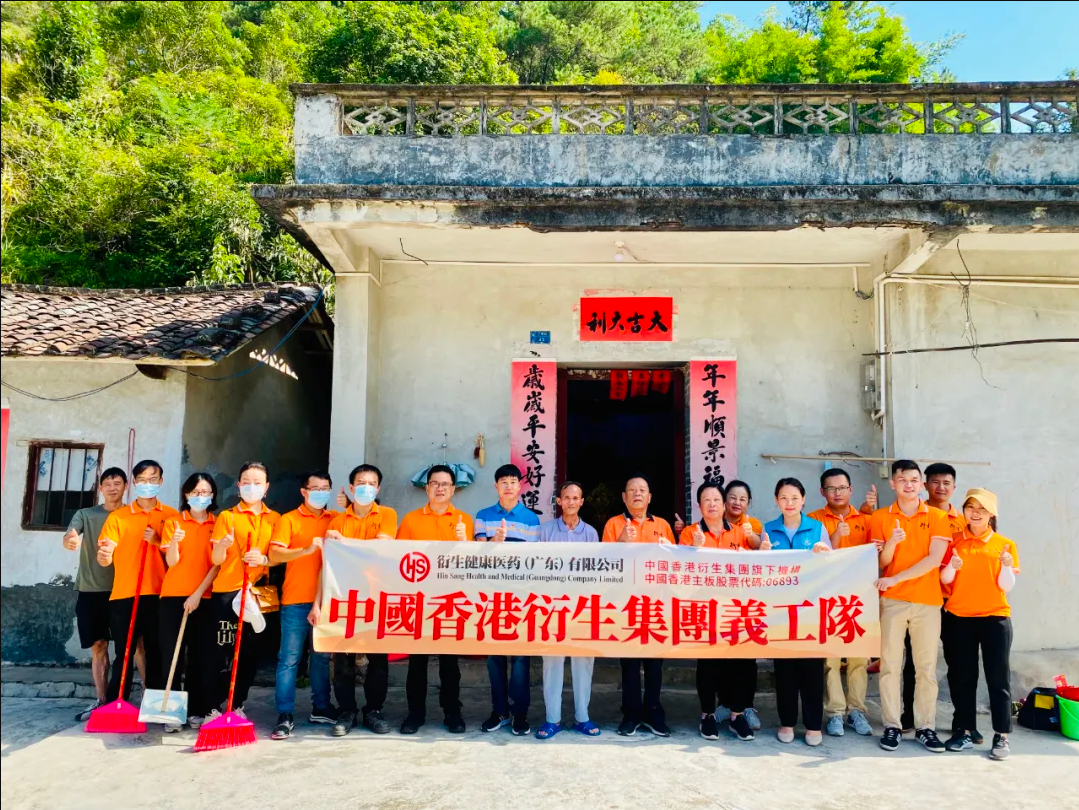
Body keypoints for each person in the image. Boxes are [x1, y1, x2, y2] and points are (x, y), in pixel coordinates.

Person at [870, 460, 951, 753]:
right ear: (893, 483)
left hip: (927, 602)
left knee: (926, 668)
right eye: (903, 479)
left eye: (914, 480)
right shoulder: (880, 517)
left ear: (921, 484)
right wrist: (892, 542)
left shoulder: (938, 517)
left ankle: (925, 727)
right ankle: (892, 726)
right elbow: (881, 562)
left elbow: (934, 559)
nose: (909, 484)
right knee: (890, 666)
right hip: (892, 602)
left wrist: (897, 579)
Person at [395, 464, 474, 734]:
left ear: (453, 489)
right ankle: (415, 714)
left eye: (445, 484)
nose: (440, 488)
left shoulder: (464, 520)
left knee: (449, 664)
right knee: (417, 662)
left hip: (450, 601)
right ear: (427, 488)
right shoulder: (410, 520)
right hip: (418, 601)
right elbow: (398, 559)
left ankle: (452, 712)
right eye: (435, 483)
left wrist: (465, 542)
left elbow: (471, 565)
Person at [320, 464, 398, 737]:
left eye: (372, 483)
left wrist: (345, 543)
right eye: (361, 483)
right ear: (352, 488)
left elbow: (380, 548)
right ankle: (347, 711)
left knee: (378, 658)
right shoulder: (337, 521)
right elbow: (328, 563)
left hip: (377, 596)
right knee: (342, 658)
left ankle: (373, 711)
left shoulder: (387, 515)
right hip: (344, 597)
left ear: (378, 488)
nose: (366, 488)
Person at [941, 489, 1018, 761]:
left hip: (995, 619)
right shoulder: (954, 542)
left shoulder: (1004, 544)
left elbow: (1006, 586)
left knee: (998, 678)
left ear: (992, 514)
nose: (975, 513)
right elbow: (945, 580)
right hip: (959, 618)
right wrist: (952, 565)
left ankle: (1001, 735)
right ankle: (963, 731)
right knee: (962, 677)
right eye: (970, 507)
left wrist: (1006, 565)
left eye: (982, 509)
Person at [679, 482, 757, 742]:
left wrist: (762, 552)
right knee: (708, 664)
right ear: (699, 506)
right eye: (706, 500)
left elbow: (753, 567)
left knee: (738, 663)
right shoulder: (690, 533)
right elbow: (678, 570)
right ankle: (708, 715)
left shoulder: (739, 533)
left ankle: (737, 715)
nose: (712, 504)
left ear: (724, 505)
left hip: (735, 608)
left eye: (716, 500)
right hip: (704, 609)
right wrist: (693, 550)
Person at [96, 459, 177, 702]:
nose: (147, 484)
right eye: (142, 480)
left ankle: (155, 703)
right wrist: (104, 555)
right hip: (125, 593)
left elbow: (177, 557)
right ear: (133, 483)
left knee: (155, 652)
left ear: (161, 481)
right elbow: (105, 555)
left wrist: (157, 541)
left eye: (152, 479)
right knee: (124, 653)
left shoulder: (171, 516)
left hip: (159, 594)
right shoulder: (118, 517)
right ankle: (116, 704)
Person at [602, 475, 676, 737]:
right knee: (630, 663)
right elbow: (604, 564)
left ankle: (653, 712)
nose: (637, 494)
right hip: (627, 604)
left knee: (655, 663)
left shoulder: (663, 525)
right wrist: (621, 541)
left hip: (656, 604)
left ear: (650, 497)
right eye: (631, 490)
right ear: (624, 497)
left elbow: (675, 565)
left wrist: (670, 550)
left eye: (642, 490)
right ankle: (631, 714)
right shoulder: (613, 524)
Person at [268, 471, 339, 740]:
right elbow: (274, 554)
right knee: (289, 659)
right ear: (304, 492)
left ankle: (321, 707)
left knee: (321, 658)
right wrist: (305, 550)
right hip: (295, 599)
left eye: (325, 488)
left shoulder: (335, 519)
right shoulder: (289, 520)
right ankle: (285, 713)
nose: (321, 493)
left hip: (328, 601)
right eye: (315, 488)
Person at [207, 462, 280, 719]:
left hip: (258, 593)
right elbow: (216, 559)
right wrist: (223, 545)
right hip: (228, 592)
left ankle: (238, 704)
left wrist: (264, 559)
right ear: (238, 486)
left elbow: (278, 556)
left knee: (250, 653)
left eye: (257, 483)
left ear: (266, 487)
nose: (252, 487)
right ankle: (214, 707)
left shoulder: (275, 519)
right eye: (246, 482)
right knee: (221, 652)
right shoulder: (227, 517)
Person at [903, 462, 970, 739]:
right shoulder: (915, 514)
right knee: (914, 663)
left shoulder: (965, 521)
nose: (941, 487)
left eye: (946, 483)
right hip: (919, 598)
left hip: (954, 602)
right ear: (925, 485)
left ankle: (962, 722)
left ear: (954, 487)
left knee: (958, 663)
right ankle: (909, 715)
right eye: (935, 482)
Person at [808, 468, 877, 738]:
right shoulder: (814, 520)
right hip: (828, 597)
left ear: (851, 490)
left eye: (842, 488)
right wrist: (835, 535)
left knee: (859, 658)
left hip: (860, 598)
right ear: (822, 491)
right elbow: (813, 559)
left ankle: (856, 710)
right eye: (831, 488)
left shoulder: (867, 519)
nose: (837, 493)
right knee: (831, 660)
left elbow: (877, 554)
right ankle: (835, 712)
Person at [764, 478, 832, 746]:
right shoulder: (769, 529)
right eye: (783, 497)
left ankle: (814, 726)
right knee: (785, 672)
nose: (789, 503)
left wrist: (824, 553)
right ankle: (787, 722)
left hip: (810, 611)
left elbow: (833, 565)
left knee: (812, 671)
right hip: (780, 612)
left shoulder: (817, 528)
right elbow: (759, 572)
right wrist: (761, 553)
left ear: (803, 500)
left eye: (794, 498)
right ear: (776, 500)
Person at [474, 464, 541, 736]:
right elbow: (477, 554)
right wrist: (494, 540)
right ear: (496, 486)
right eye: (504, 482)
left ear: (520, 486)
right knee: (495, 658)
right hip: (491, 597)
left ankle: (520, 714)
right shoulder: (483, 515)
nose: (509, 486)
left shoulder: (531, 519)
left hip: (522, 597)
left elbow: (535, 560)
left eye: (513, 481)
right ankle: (499, 711)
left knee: (521, 659)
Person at [536, 481, 601, 740]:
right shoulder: (546, 531)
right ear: (559, 501)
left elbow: (597, 571)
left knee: (582, 663)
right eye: (567, 497)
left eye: (576, 498)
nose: (571, 502)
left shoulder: (590, 533)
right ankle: (552, 719)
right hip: (552, 607)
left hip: (582, 608)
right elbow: (536, 568)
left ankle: (582, 718)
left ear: (582, 502)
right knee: (552, 663)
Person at [63, 466, 127, 721]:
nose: (112, 488)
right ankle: (101, 701)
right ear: (100, 488)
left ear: (125, 487)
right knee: (99, 646)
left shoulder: (131, 515)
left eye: (117, 483)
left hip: (125, 590)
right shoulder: (86, 514)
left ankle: (146, 702)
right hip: (91, 591)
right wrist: (70, 539)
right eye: (107, 483)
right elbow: (71, 534)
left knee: (136, 647)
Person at [158, 473, 219, 731]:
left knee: (200, 655)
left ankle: (196, 709)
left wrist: (197, 594)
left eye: (205, 492)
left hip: (205, 597)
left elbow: (217, 564)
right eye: (195, 492)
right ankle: (172, 711)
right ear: (186, 494)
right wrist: (174, 541)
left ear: (213, 495)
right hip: (173, 596)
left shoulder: (218, 523)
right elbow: (171, 562)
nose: (200, 497)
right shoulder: (174, 522)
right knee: (172, 655)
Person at [717, 479, 765, 731]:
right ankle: (725, 704)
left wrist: (751, 536)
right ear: (724, 500)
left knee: (746, 657)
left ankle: (747, 706)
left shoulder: (753, 525)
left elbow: (761, 551)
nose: (737, 503)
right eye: (733, 497)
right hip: (719, 601)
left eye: (742, 499)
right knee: (722, 655)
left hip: (747, 601)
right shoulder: (715, 523)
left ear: (749, 503)